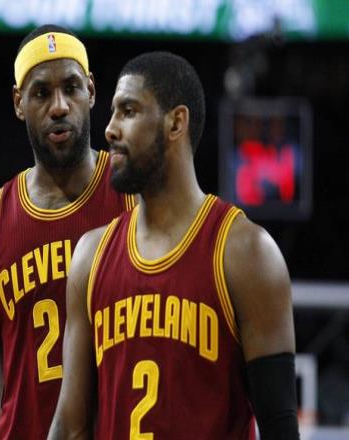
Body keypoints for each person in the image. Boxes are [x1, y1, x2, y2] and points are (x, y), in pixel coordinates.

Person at [48, 52, 299, 439]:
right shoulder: (91, 256)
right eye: (113, 113)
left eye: (128, 111)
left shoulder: (246, 253)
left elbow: (280, 429)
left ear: (176, 122)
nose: (110, 130)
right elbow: (69, 428)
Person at [0, 25, 135, 440]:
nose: (59, 106)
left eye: (71, 88)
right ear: (19, 103)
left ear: (91, 91)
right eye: (41, 93)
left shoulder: (139, 200)